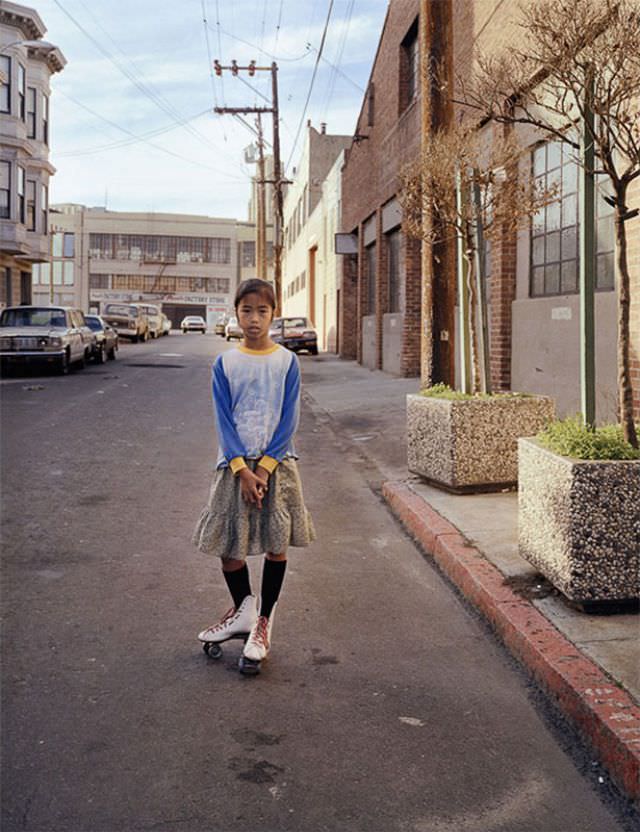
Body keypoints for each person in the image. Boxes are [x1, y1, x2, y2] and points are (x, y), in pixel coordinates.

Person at [192, 278, 315, 671]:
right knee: (231, 547)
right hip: (234, 467)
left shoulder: (287, 361)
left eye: (262, 311)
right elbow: (223, 421)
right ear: (236, 313)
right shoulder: (224, 362)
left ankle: (263, 623)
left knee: (276, 544)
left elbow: (289, 418)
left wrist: (264, 467)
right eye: (247, 310)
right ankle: (244, 609)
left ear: (273, 314)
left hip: (277, 466)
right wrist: (243, 470)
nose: (254, 319)